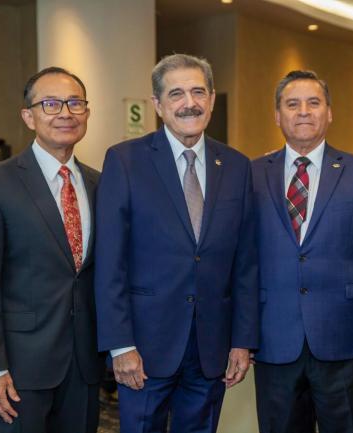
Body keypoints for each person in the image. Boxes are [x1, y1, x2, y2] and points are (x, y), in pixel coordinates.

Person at [94, 53, 258, 433]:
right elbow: (110, 263)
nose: (190, 103)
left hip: (211, 349)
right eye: (176, 94)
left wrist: (243, 341)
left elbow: (245, 263)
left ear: (212, 99)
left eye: (198, 92)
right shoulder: (125, 161)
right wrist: (120, 346)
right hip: (144, 348)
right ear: (157, 104)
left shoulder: (236, 166)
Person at [252, 70, 353, 433]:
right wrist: (241, 337)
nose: (303, 111)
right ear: (277, 115)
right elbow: (241, 263)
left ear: (329, 113)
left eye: (313, 103)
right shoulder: (251, 174)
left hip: (346, 342)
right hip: (273, 340)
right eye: (292, 104)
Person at [0, 67, 104, 433]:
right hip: (19, 366)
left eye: (75, 103)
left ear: (87, 112)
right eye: (50, 104)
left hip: (85, 364)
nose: (65, 113)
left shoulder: (100, 184)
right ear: (28, 116)